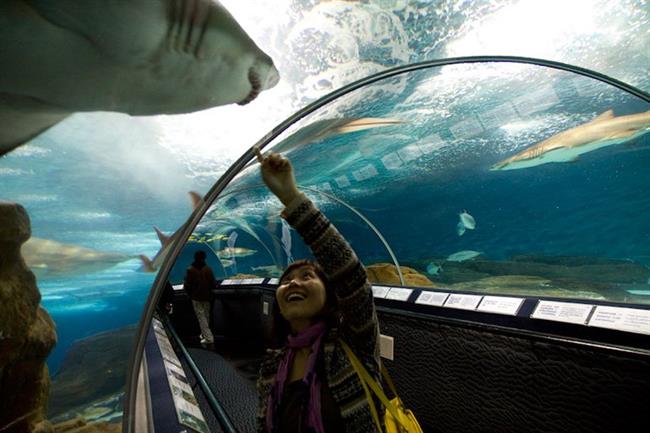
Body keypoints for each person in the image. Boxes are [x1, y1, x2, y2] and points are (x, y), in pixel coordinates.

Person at [255, 147, 383, 433]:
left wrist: (291, 198)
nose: (294, 283)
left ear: (330, 293)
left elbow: (351, 276)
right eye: (286, 281)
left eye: (307, 276)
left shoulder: (352, 344)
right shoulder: (272, 364)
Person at [184, 250, 216, 350]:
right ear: (204, 257)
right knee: (206, 317)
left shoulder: (190, 269)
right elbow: (213, 282)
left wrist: (189, 294)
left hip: (196, 297)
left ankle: (208, 338)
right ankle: (206, 336)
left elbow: (187, 284)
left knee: (201, 317)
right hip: (207, 297)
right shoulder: (208, 269)